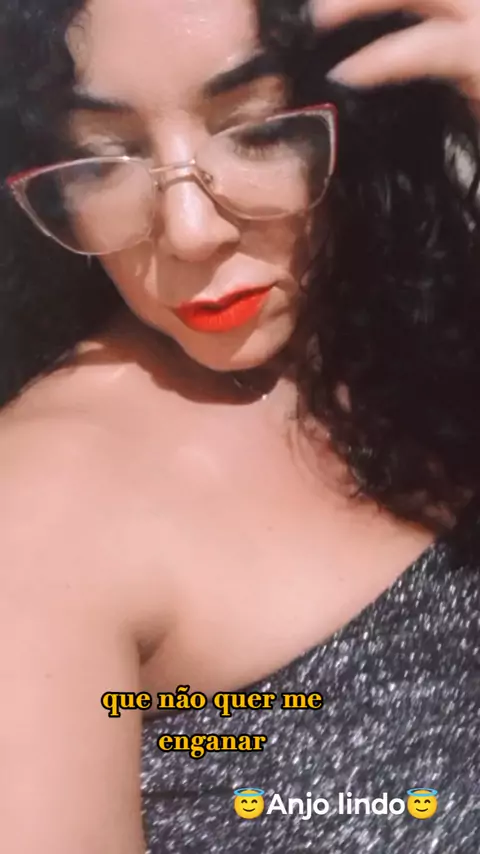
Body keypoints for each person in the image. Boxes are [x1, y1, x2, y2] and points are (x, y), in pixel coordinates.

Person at [0, 0, 479, 851]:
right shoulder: (40, 511)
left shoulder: (430, 332)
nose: (190, 232)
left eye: (257, 131)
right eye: (104, 157)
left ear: (373, 119)